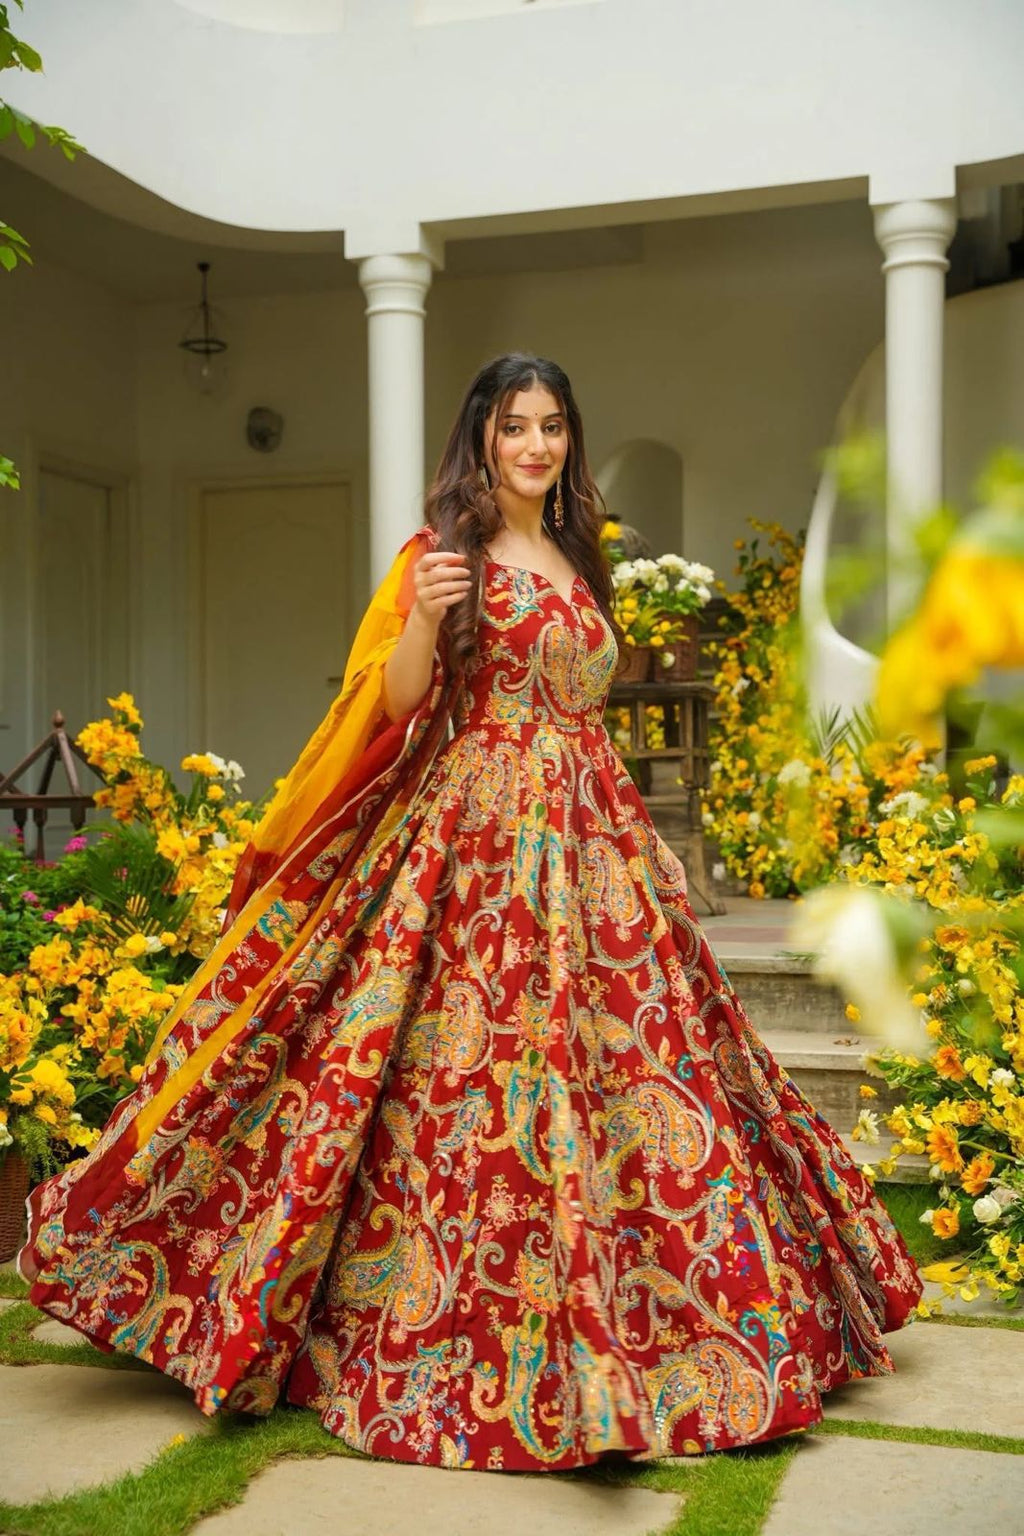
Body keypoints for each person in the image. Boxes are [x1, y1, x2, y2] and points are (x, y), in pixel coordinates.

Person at [19, 352, 922, 1473]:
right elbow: (399, 701)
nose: (535, 446)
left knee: (647, 1070)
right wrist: (420, 620)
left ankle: (684, 1315)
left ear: (568, 440)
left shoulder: (579, 552)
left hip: (596, 849)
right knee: (462, 1071)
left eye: (551, 427)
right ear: (481, 442)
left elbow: (588, 724)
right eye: (514, 428)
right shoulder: (443, 555)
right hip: (482, 839)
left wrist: (647, 846)